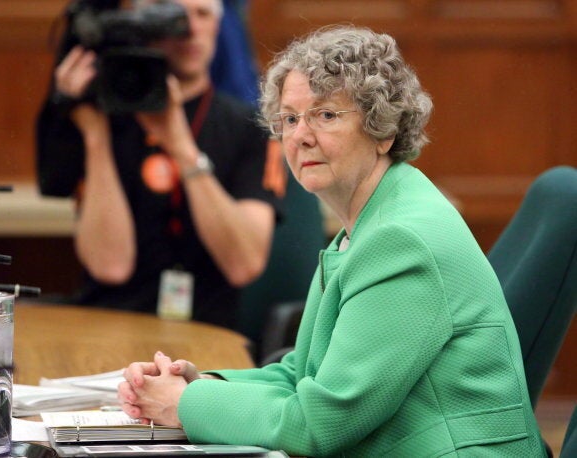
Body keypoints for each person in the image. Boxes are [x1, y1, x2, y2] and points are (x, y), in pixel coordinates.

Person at [117, 25, 547, 456]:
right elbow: (304, 373)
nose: (300, 135)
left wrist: (186, 405)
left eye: (325, 115)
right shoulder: (368, 222)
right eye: (289, 118)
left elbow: (320, 423)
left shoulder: (401, 240)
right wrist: (202, 384)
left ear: (384, 130)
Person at [35, 0, 285, 329]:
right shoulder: (101, 118)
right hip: (107, 324)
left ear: (219, 26)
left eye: (202, 14)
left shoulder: (251, 127)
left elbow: (243, 264)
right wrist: (95, 136)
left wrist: (182, 147)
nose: (190, 30)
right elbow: (110, 265)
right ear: (144, 26)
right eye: (175, 17)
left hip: (206, 330)